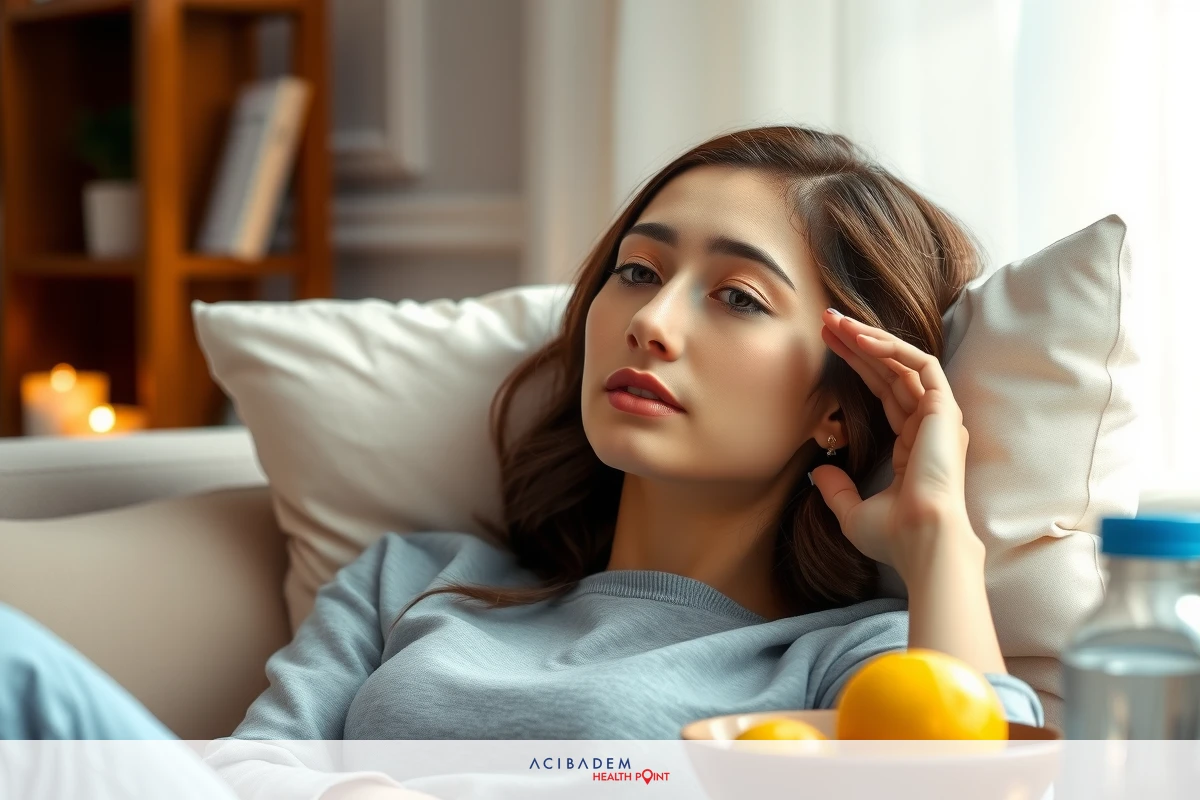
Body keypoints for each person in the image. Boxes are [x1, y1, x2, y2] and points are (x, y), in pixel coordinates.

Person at [0, 125, 1043, 799]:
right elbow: (252, 765)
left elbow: (975, 781)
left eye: (736, 296)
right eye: (637, 271)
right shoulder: (415, 578)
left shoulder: (832, 661)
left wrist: (938, 531)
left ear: (832, 402)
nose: (651, 322)